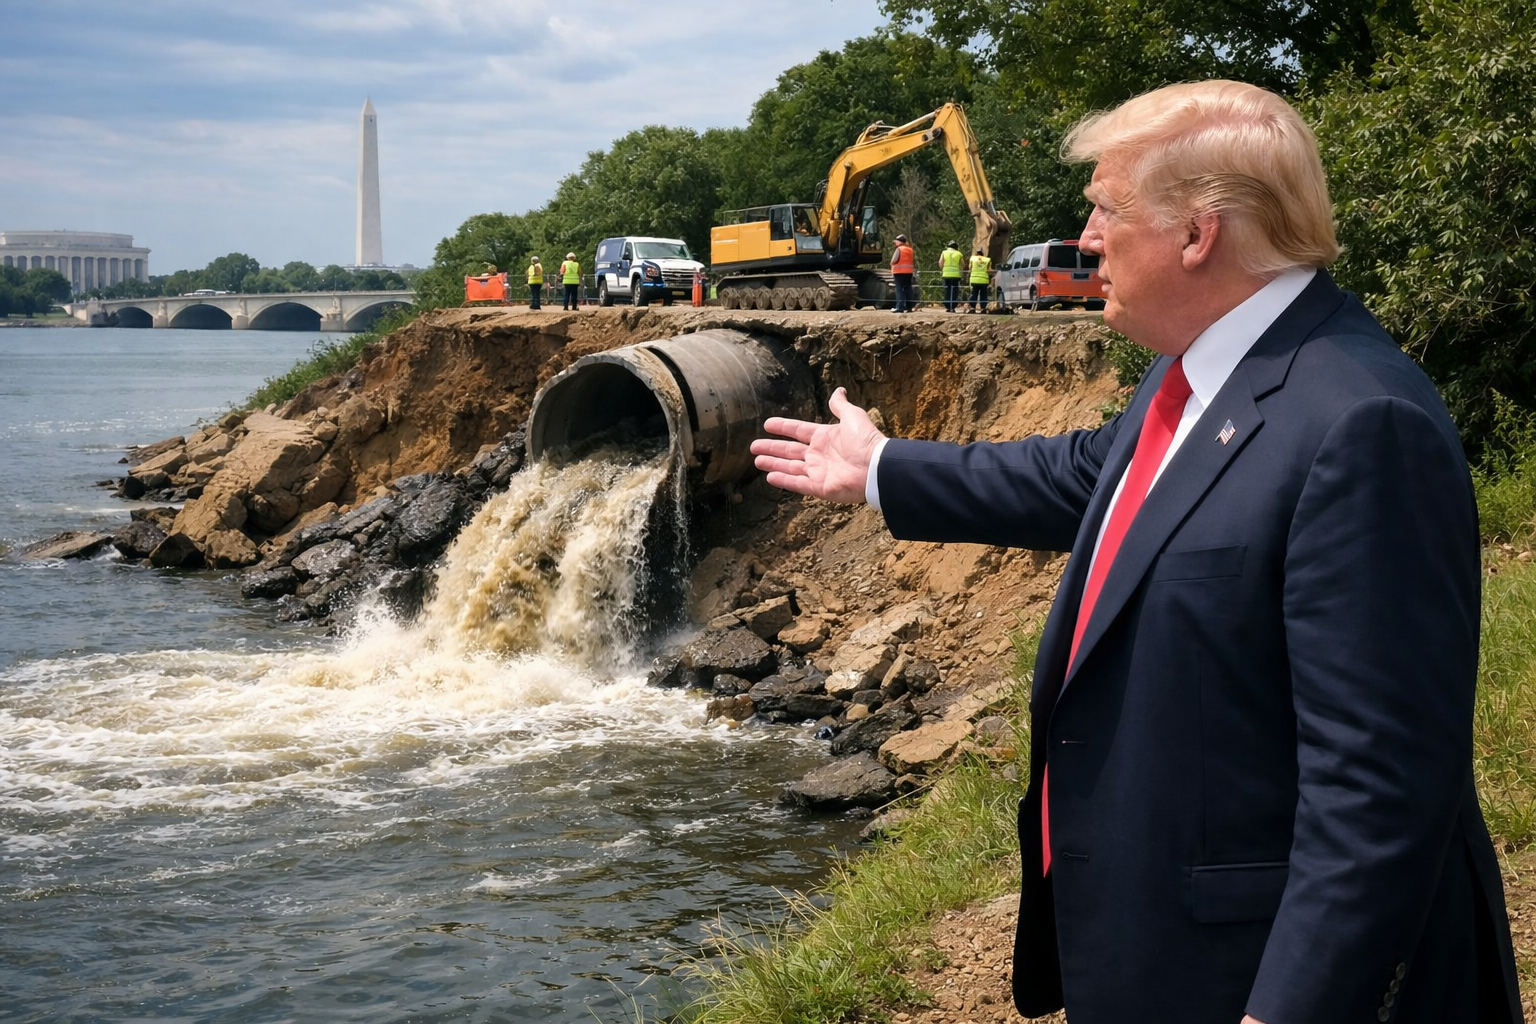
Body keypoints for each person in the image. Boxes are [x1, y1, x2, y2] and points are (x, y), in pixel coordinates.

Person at [750, 80, 1521, 1024]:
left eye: (1105, 209)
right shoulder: (1207, 366)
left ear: (1198, 235)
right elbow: (1086, 477)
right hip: (1168, 947)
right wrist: (881, 467)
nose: (1084, 238)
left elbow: (1381, 788)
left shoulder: (1363, 423)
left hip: (1259, 975)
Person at [891, 234, 916, 313]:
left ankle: (899, 307)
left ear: (899, 241)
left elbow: (894, 260)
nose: (895, 243)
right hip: (909, 272)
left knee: (899, 289)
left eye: (896, 241)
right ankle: (909, 307)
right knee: (908, 288)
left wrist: (891, 264)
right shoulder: (910, 249)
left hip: (899, 272)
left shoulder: (899, 249)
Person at [938, 240, 964, 312]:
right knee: (954, 291)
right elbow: (963, 264)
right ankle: (953, 306)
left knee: (947, 290)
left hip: (946, 275)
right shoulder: (959, 254)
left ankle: (947, 306)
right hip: (956, 275)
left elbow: (940, 263)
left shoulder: (944, 252)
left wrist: (943, 268)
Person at [965, 247, 991, 312]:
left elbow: (970, 267)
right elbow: (989, 270)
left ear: (977, 253)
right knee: (983, 295)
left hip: (974, 280)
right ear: (983, 253)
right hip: (984, 280)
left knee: (974, 294)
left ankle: (972, 308)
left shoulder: (972, 258)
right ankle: (983, 308)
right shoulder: (987, 259)